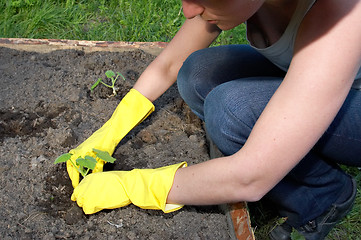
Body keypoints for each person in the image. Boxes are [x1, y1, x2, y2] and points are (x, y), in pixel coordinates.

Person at [67, 0, 361, 239]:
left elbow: (251, 176)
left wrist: (136, 186)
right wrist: (110, 131)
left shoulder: (340, 14)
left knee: (230, 110)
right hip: (318, 79)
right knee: (197, 72)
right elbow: (169, 64)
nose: (188, 11)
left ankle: (323, 196)